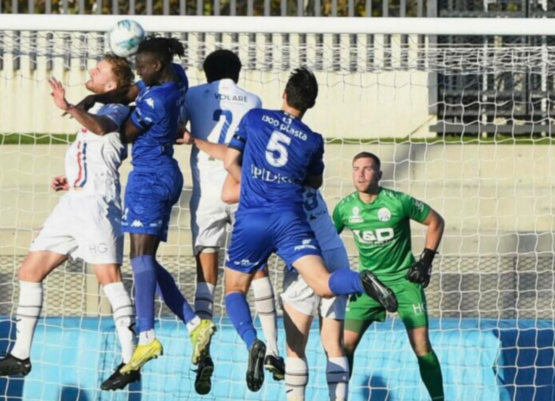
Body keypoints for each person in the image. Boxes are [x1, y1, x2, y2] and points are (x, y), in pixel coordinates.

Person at [222, 67, 397, 393]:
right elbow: (315, 181)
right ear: (311, 103)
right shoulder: (313, 141)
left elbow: (230, 161)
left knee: (234, 289)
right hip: (290, 219)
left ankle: (253, 342)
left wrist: (254, 182)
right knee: (324, 284)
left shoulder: (254, 118)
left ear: (284, 94)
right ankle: (359, 280)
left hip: (253, 218)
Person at [0, 56, 138, 391]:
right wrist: (72, 177)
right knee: (29, 272)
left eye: (99, 70)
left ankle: (130, 359)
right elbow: (95, 150)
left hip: (96, 206)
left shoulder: (116, 108)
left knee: (109, 278)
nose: (91, 70)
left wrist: (70, 107)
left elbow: (102, 128)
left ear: (112, 84)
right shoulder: (97, 109)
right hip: (73, 202)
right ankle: (20, 354)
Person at [179, 49, 284, 394]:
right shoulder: (253, 101)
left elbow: (176, 127)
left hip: (207, 194)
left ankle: (204, 353)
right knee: (258, 270)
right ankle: (273, 350)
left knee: (206, 275)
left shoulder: (192, 95)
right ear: (237, 74)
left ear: (206, 73)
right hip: (241, 190)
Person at [117, 37, 215, 375]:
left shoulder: (155, 100)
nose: (139, 73)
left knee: (139, 258)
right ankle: (194, 324)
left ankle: (147, 336)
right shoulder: (178, 77)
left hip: (149, 177)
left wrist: (107, 110)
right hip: (166, 173)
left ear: (157, 65)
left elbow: (125, 133)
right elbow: (135, 91)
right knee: (146, 260)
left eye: (142, 67)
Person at [222, 177, 351, 401]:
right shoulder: (304, 165)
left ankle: (271, 350)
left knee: (295, 348)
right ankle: (359, 281)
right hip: (335, 251)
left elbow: (227, 194)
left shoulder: (272, 182)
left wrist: (240, 168)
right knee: (334, 345)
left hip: (305, 257)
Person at [333, 152, 446, 401]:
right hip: (369, 285)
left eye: (367, 168)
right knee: (344, 345)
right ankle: (338, 398)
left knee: (421, 345)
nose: (361, 174)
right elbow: (328, 240)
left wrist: (425, 262)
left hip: (404, 282)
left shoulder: (398, 202)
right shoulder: (344, 208)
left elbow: (436, 221)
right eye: (356, 168)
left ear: (379, 174)